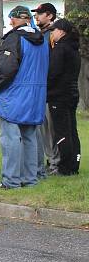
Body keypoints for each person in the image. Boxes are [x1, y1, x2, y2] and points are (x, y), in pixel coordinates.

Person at [0, 5, 49, 189]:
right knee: (30, 137)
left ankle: (11, 181)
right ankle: (30, 179)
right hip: (35, 96)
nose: (10, 22)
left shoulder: (14, 38)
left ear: (18, 19)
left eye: (12, 18)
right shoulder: (42, 40)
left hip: (14, 95)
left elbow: (6, 68)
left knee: (10, 139)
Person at [47, 18, 82, 175]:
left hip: (59, 95)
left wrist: (46, 89)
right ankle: (74, 164)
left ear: (61, 31)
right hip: (72, 93)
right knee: (71, 130)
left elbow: (53, 73)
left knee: (61, 132)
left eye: (53, 30)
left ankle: (65, 167)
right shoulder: (74, 49)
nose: (52, 33)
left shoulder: (60, 49)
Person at [32, 2, 60, 176]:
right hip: (39, 89)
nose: (37, 16)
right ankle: (47, 162)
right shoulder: (38, 34)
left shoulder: (53, 35)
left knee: (51, 130)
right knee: (41, 129)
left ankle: (55, 163)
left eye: (40, 14)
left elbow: (54, 63)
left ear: (49, 16)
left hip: (50, 89)